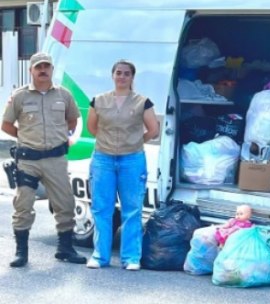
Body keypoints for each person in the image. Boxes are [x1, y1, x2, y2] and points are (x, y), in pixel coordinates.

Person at [2, 51, 86, 267]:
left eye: (46, 66)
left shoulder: (63, 95)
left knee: (65, 203)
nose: (42, 70)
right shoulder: (20, 96)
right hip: (28, 159)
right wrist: (26, 137)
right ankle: (22, 252)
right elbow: (6, 124)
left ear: (51, 70)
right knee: (23, 204)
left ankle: (65, 248)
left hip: (56, 159)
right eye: (38, 67)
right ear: (31, 70)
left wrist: (58, 137)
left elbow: (73, 120)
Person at [85, 59, 159, 271]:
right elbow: (92, 127)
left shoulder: (142, 102)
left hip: (132, 159)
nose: (122, 76)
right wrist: (108, 142)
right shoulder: (98, 100)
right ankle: (100, 256)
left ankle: (131, 258)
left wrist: (136, 142)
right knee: (101, 208)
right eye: (118, 72)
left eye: (126, 73)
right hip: (103, 159)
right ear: (113, 75)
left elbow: (153, 129)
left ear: (132, 77)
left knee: (132, 209)